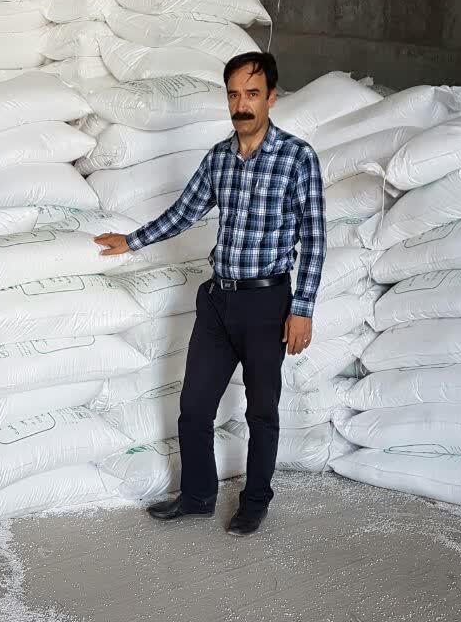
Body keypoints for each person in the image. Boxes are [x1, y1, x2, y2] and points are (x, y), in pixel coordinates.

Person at [94, 51, 326, 537]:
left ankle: (255, 501)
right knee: (195, 406)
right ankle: (198, 497)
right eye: (234, 94)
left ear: (271, 98)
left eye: (252, 94)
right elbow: (184, 213)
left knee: (261, 411)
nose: (242, 104)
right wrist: (131, 241)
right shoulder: (219, 157)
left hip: (267, 304)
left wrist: (302, 310)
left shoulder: (297, 157)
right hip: (218, 302)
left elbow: (315, 237)